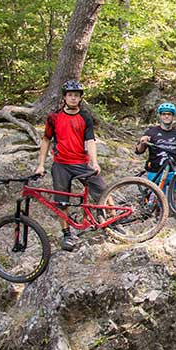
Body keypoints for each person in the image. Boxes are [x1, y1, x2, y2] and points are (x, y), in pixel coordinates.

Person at [34, 79, 105, 251]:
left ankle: (112, 219)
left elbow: (90, 141)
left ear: (80, 98)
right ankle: (67, 234)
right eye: (70, 95)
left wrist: (94, 162)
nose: (73, 98)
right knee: (62, 202)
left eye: (76, 96)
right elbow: (46, 140)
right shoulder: (54, 117)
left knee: (103, 190)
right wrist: (41, 165)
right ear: (65, 97)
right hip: (61, 165)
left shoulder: (85, 117)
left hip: (81, 162)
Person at [135, 102, 176, 184]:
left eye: (169, 114)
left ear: (173, 116)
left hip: (172, 171)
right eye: (164, 114)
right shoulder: (151, 132)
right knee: (157, 196)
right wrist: (142, 142)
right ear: (160, 116)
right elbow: (139, 151)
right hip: (155, 172)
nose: (166, 116)